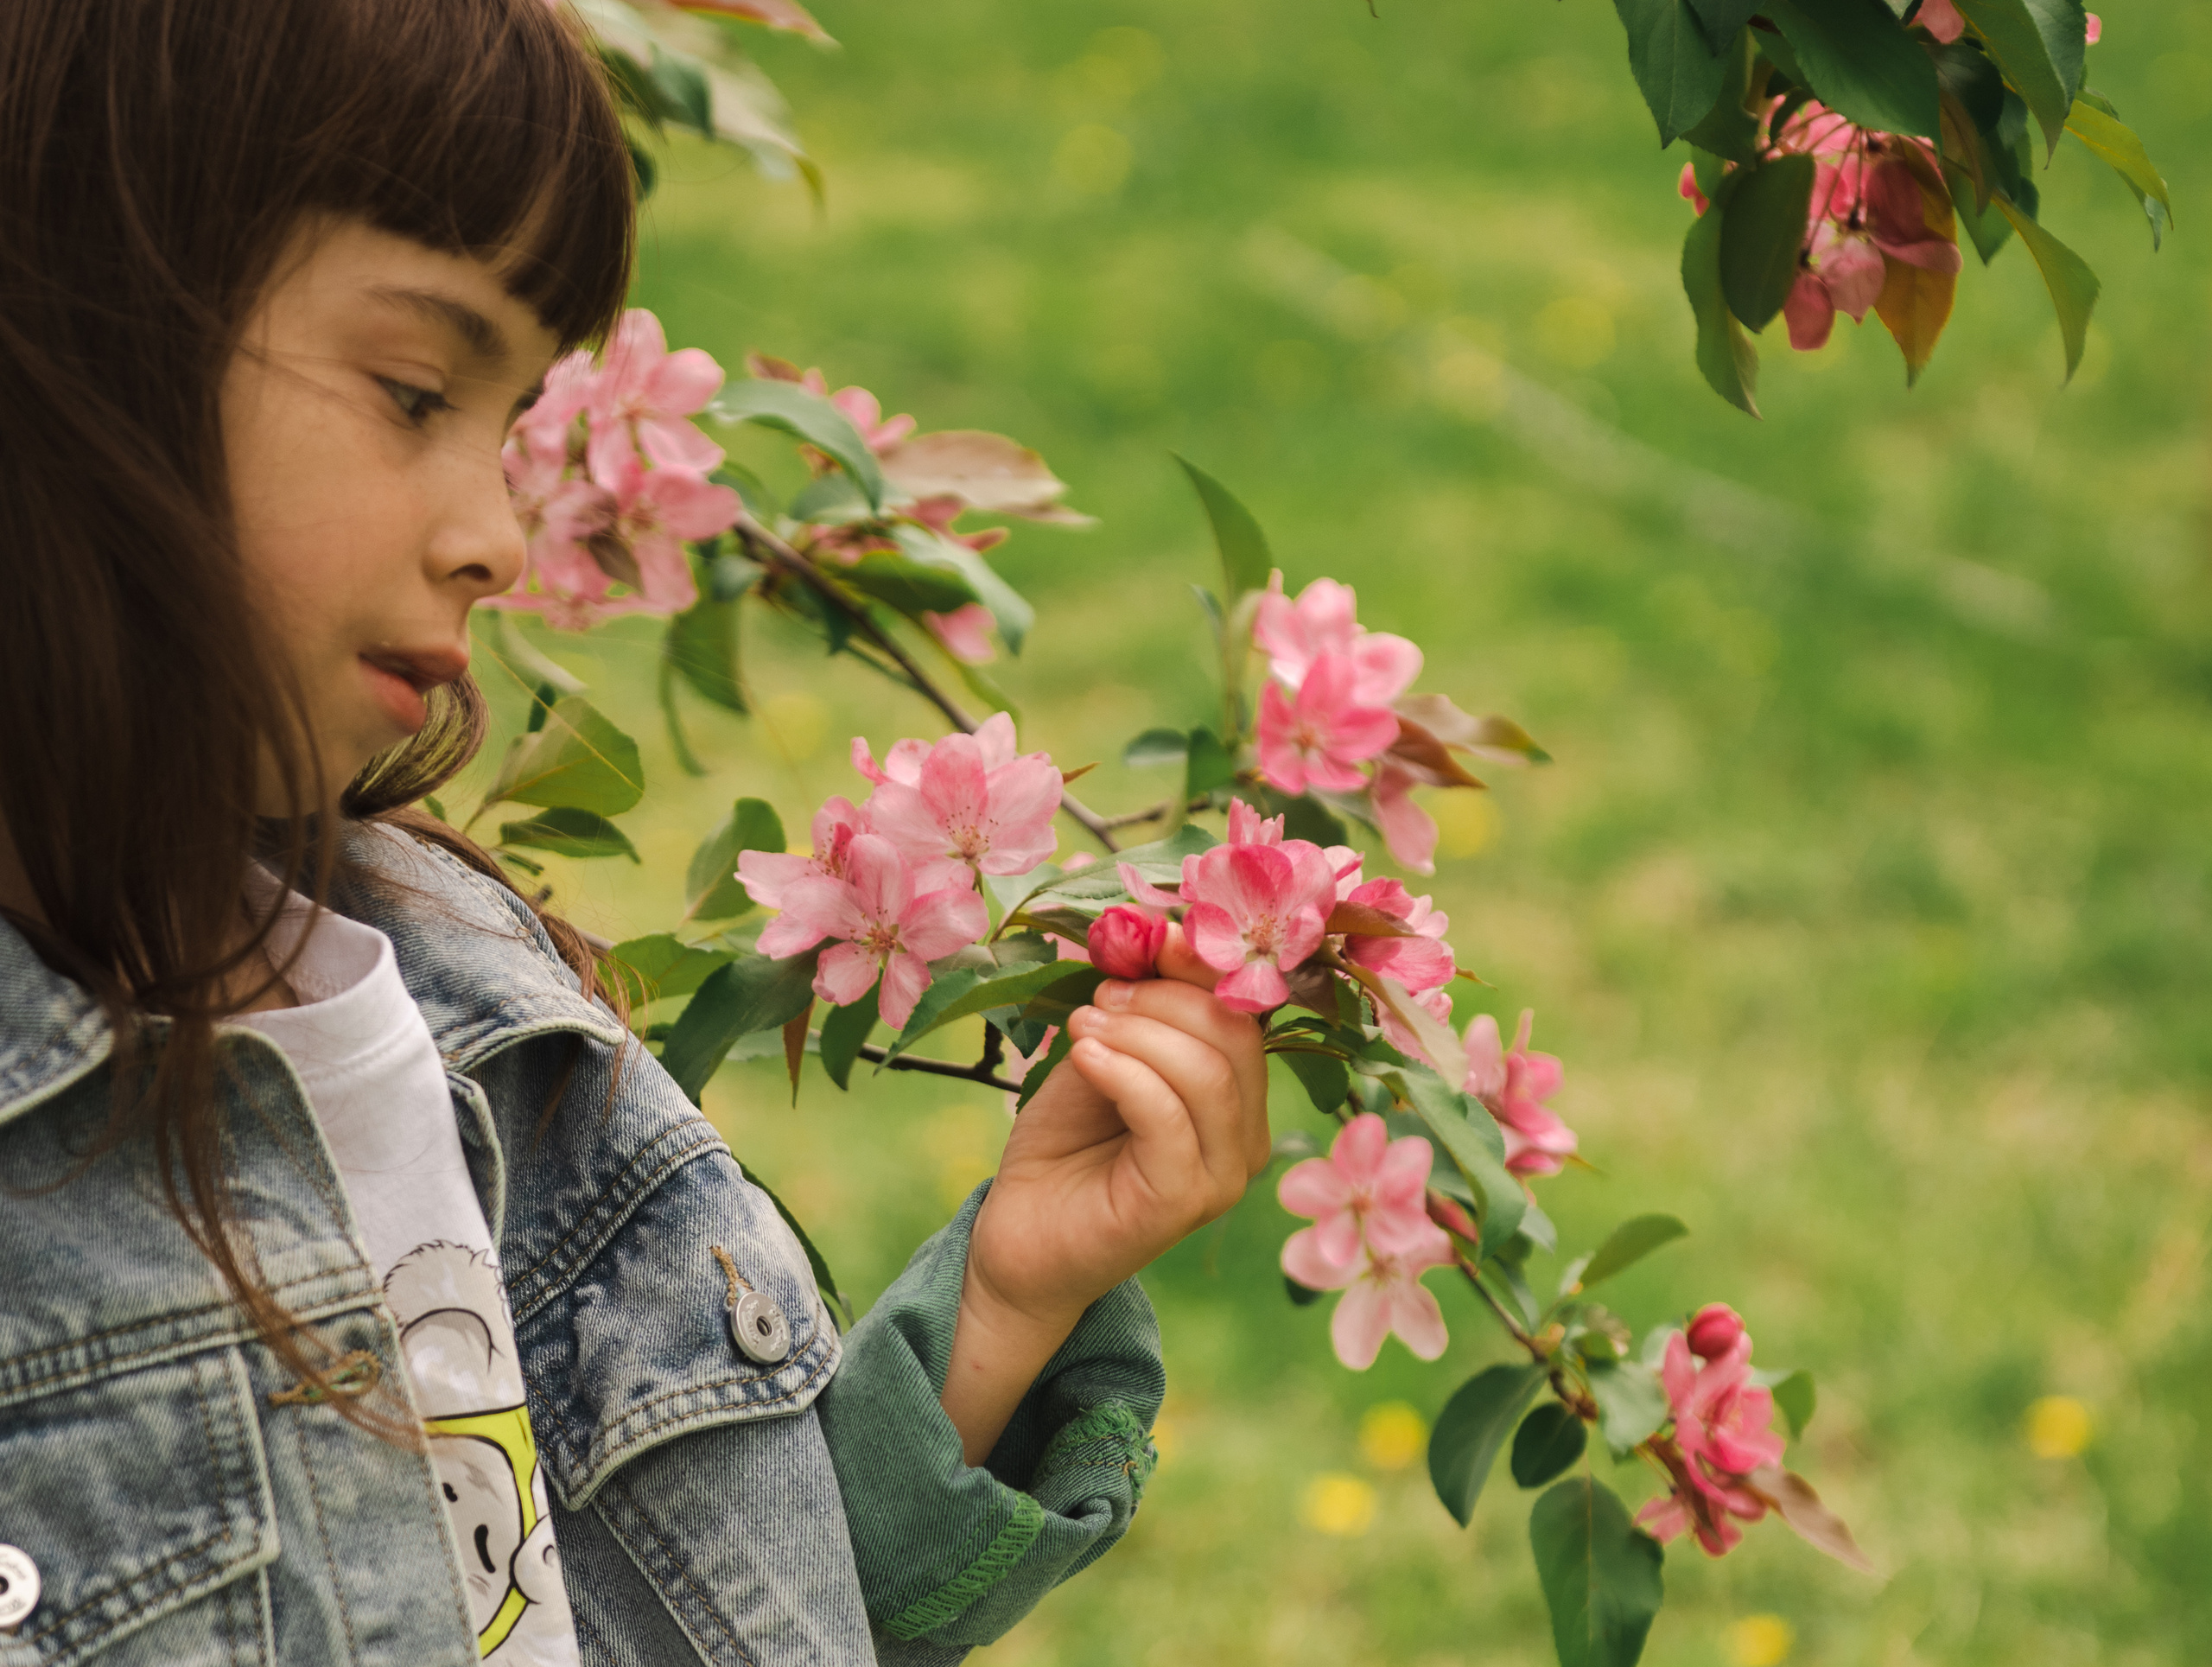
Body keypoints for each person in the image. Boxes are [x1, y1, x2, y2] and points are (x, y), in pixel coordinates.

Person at [0, 3, 1270, 1663]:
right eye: (410, 391)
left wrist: (1010, 1304)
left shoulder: (466, 1004)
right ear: (84, 320)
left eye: (515, 426)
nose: (502, 539)